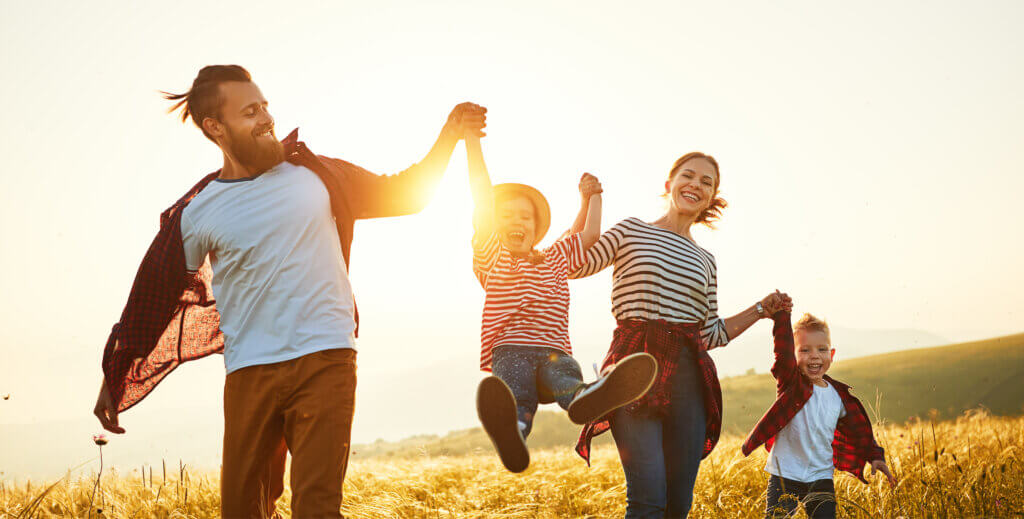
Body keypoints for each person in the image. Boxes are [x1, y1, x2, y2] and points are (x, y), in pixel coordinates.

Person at [91, 64, 486, 518]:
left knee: (317, 507)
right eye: (250, 111)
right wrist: (114, 375)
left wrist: (449, 134)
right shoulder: (198, 213)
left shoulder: (317, 175)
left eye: (265, 106)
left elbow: (407, 194)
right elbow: (153, 297)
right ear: (215, 127)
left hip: (326, 359)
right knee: (244, 509)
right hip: (249, 374)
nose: (266, 118)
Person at [572, 152, 792, 518]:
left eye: (707, 182)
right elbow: (576, 262)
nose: (696, 185)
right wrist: (588, 203)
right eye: (688, 176)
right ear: (668, 185)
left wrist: (761, 309)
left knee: (678, 505)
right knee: (647, 500)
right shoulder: (632, 230)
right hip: (633, 369)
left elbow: (711, 333)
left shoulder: (706, 260)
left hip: (689, 377)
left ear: (710, 197)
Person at [465, 128, 657, 473]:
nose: (516, 222)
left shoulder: (556, 258)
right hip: (510, 350)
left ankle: (587, 398)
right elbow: (481, 197)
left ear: (536, 228)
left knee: (566, 380)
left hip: (555, 351)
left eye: (525, 217)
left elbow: (589, 234)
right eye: (506, 217)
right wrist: (472, 142)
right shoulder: (493, 257)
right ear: (493, 226)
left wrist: (593, 196)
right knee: (516, 397)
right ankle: (515, 435)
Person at [743, 312, 896, 519]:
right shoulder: (791, 384)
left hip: (821, 476)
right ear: (793, 355)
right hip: (784, 474)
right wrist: (782, 315)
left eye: (821, 349)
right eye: (805, 350)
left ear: (831, 355)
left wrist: (875, 455)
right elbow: (782, 351)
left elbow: (859, 432)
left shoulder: (838, 396)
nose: (815, 355)